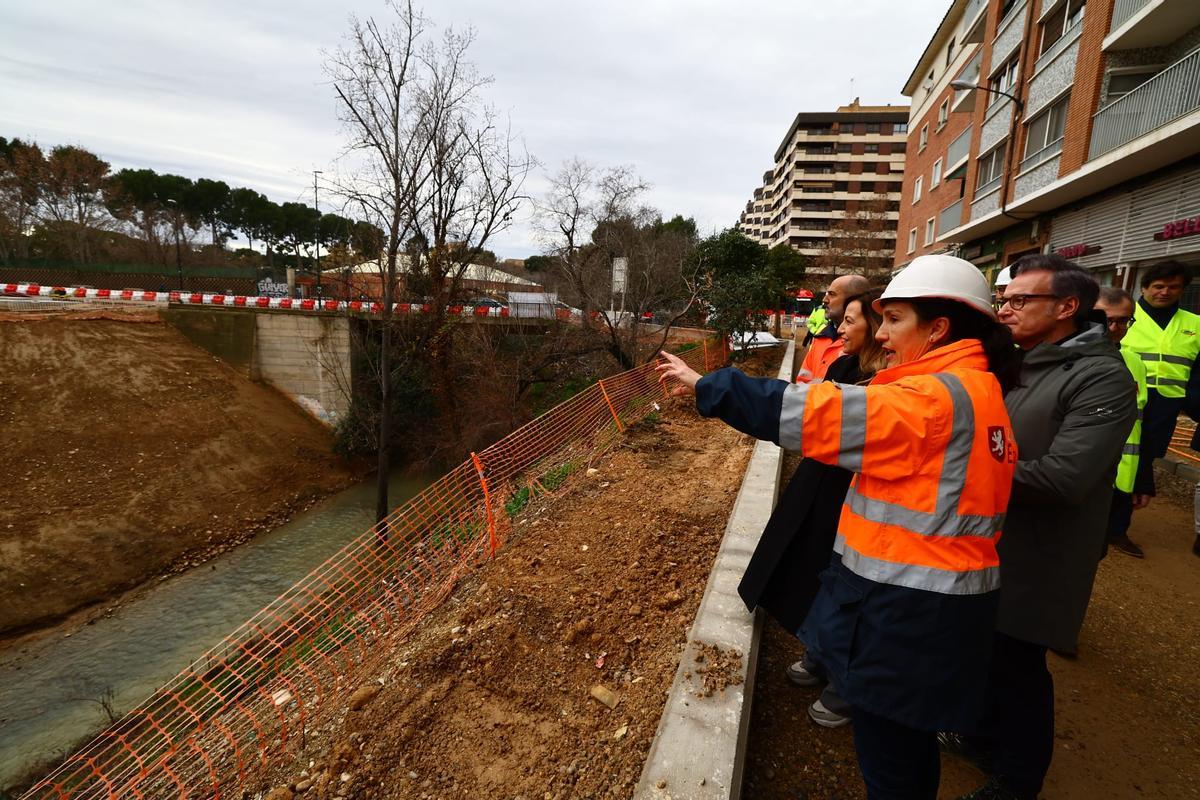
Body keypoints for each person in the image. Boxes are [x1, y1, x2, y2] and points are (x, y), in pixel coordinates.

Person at [659, 255, 1020, 799]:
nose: (884, 335)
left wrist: (711, 385)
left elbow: (815, 415)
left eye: (895, 320)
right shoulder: (979, 391)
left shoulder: (931, 401)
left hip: (906, 609)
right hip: (941, 603)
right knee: (907, 746)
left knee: (890, 761)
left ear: (939, 327)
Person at [958, 255, 1137, 800]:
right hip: (991, 536)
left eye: (1019, 301)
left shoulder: (1102, 377)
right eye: (1004, 299)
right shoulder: (1019, 361)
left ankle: (1017, 779)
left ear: (1066, 307)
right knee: (985, 649)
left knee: (1019, 665)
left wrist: (957, 470)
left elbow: (1065, 478)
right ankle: (981, 738)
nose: (1005, 309)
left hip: (1041, 552)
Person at [738, 289, 887, 729]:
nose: (839, 328)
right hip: (824, 479)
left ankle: (845, 684)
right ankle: (821, 652)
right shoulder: (844, 365)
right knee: (820, 568)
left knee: (854, 585)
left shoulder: (892, 384)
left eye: (850, 320)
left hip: (858, 493)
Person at [1118, 261, 1199, 536]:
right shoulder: (1126, 315)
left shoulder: (1194, 324)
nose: (1165, 292)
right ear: (1145, 288)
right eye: (1159, 286)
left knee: (1147, 456)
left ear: (1183, 289)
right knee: (1124, 456)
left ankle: (1120, 519)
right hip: (1128, 399)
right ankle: (1116, 524)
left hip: (1168, 402)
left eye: (1173, 287)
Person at [1095, 287, 1149, 558]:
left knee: (1097, 551)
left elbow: (1143, 423)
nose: (1114, 327)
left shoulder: (1135, 364)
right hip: (1083, 477)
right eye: (1107, 320)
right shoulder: (1066, 359)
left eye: (1123, 320)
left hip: (1120, 477)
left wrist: (1143, 478)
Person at [795, 274, 870, 383]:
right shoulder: (821, 336)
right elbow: (803, 379)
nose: (824, 300)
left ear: (855, 299)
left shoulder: (864, 346)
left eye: (832, 294)